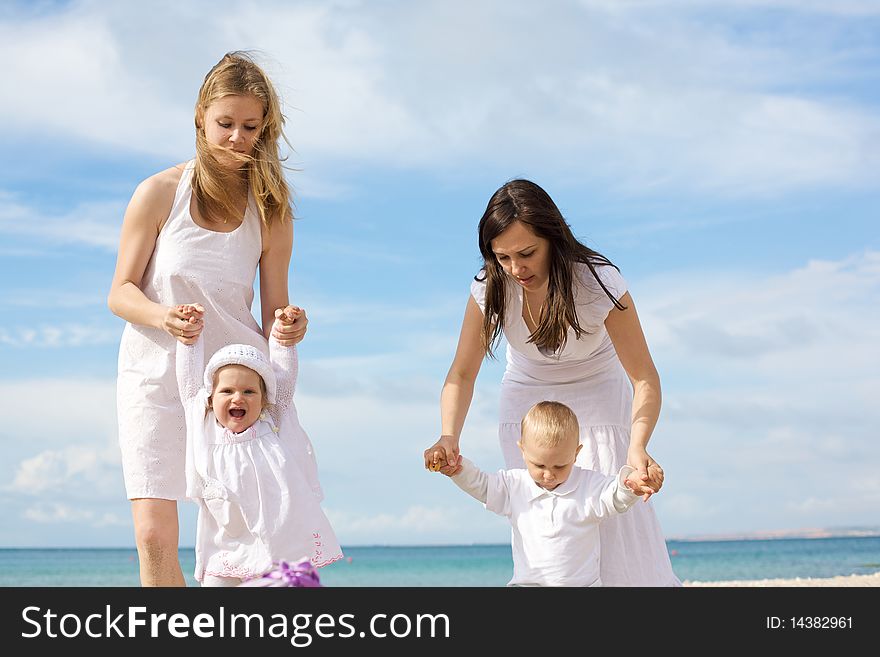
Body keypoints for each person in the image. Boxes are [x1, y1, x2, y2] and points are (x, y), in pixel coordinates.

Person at [108, 51, 306, 586]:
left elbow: (273, 313)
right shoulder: (159, 193)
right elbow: (120, 293)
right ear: (200, 116)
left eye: (250, 127)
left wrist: (288, 328)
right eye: (226, 124)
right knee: (153, 536)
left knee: (242, 540)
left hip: (232, 390)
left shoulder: (271, 212)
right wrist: (164, 315)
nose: (238, 138)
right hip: (154, 378)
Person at [424, 179, 680, 586]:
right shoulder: (490, 286)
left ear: (554, 239)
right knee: (544, 518)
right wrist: (448, 435)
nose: (515, 269)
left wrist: (638, 445)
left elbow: (644, 376)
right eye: (502, 256)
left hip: (598, 390)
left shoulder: (598, 281)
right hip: (526, 396)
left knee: (612, 517)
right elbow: (461, 373)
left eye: (527, 253)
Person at [175, 304, 342, 587]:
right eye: (227, 391)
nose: (238, 398)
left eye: (249, 391)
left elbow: (284, 380)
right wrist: (189, 338)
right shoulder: (204, 426)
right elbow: (189, 385)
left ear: (264, 400)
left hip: (273, 541)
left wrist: (281, 338)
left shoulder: (270, 424)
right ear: (210, 398)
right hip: (224, 543)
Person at [431, 401, 653, 586]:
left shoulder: (588, 485)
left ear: (576, 454)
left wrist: (630, 484)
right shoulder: (514, 485)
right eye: (539, 466)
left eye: (559, 467)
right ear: (522, 450)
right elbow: (482, 485)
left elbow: (614, 498)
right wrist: (457, 469)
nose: (549, 475)